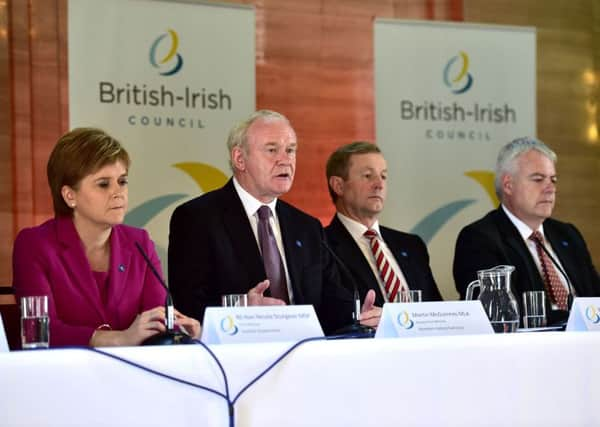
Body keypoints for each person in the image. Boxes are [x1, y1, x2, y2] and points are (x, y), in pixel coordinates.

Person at [168, 110, 380, 334]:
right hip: (236, 360)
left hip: (304, 357)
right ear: (240, 159)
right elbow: (186, 307)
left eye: (290, 150)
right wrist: (238, 309)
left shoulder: (307, 227)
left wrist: (358, 314)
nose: (285, 159)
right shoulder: (196, 218)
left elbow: (329, 303)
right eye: (272, 150)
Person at [12, 128, 200, 347]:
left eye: (122, 181)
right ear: (69, 195)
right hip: (62, 376)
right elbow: (41, 332)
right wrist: (118, 338)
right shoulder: (34, 245)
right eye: (103, 184)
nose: (118, 192)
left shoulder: (139, 242)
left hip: (134, 375)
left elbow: (156, 318)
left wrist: (178, 329)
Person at [453, 137, 600, 324]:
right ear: (508, 185)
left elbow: (595, 297)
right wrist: (576, 320)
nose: (550, 189)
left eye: (553, 180)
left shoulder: (568, 235)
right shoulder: (479, 239)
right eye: (538, 179)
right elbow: (500, 313)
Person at [325, 142, 443, 306]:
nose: (379, 185)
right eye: (367, 176)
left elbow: (436, 310)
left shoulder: (412, 246)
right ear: (338, 185)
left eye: (383, 176)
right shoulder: (322, 246)